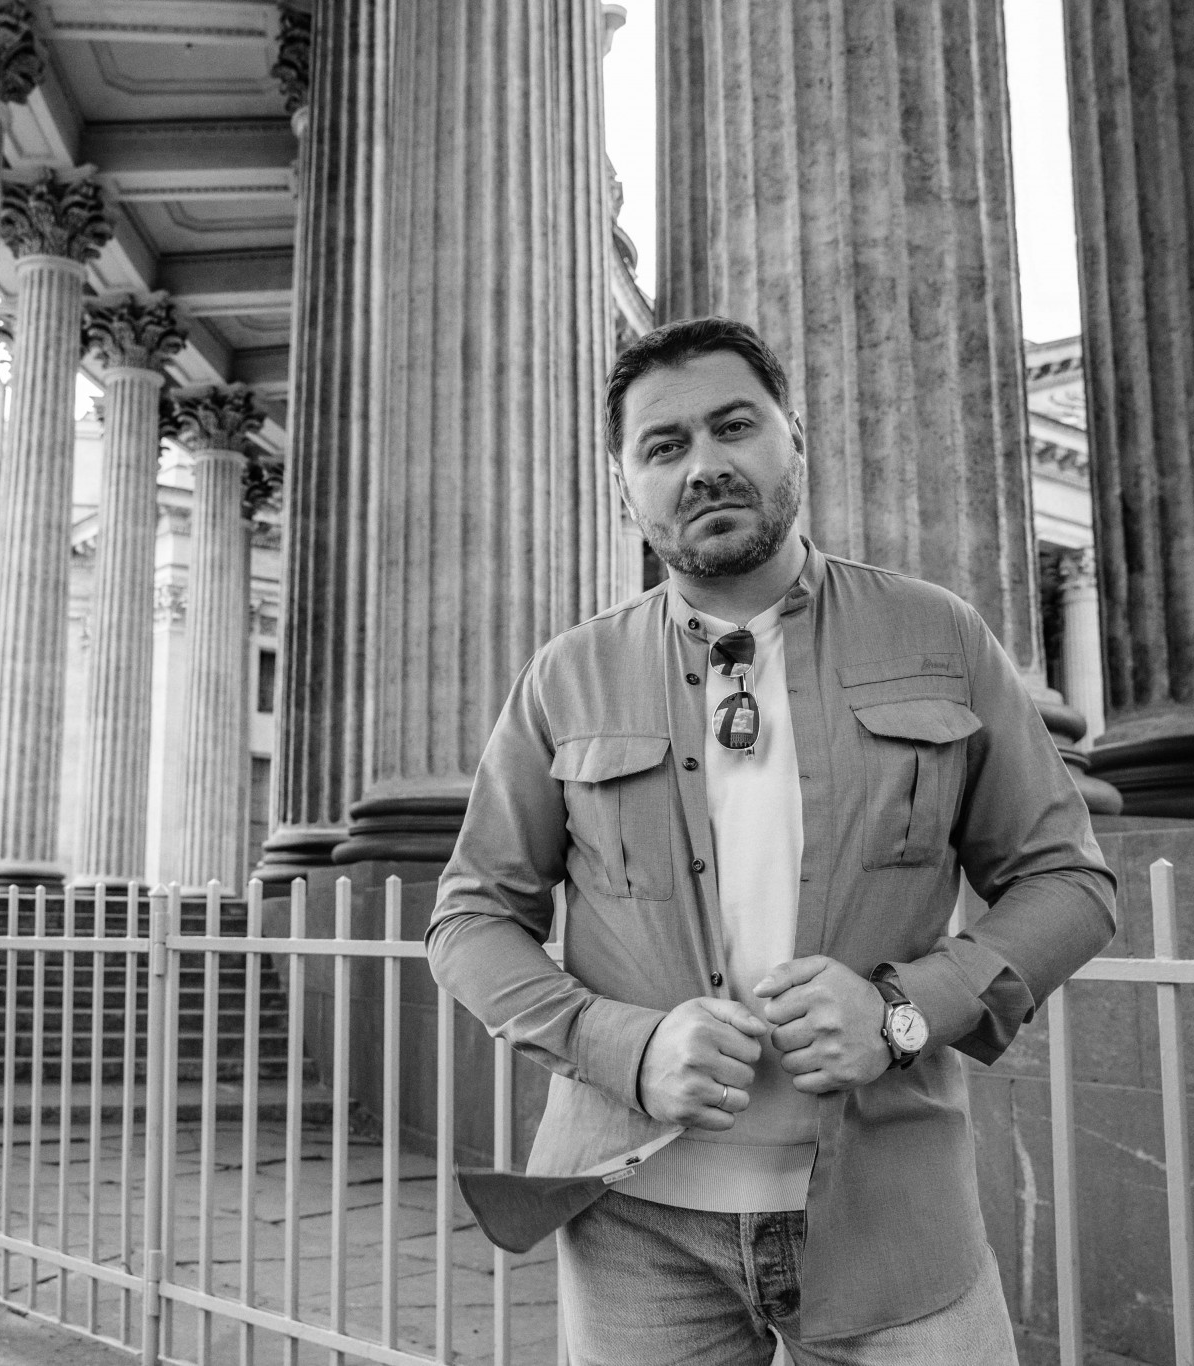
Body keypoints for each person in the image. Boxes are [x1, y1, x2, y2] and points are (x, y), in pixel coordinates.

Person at [427, 317, 1116, 1364]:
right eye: (663, 446)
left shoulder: (938, 635)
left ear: (795, 436)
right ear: (624, 489)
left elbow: (1067, 879)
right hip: (633, 1223)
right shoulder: (565, 676)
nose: (702, 465)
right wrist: (623, 1045)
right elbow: (471, 917)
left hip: (893, 1212)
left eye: (733, 426)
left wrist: (899, 1013)